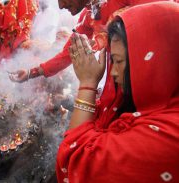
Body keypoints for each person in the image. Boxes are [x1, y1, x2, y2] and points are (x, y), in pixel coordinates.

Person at [56, 2, 179, 182]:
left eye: (119, 62)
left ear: (155, 59)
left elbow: (76, 161)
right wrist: (34, 71)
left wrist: (88, 84)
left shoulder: (165, 138)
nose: (113, 73)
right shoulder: (161, 99)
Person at [9, 0, 171, 83]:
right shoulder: (88, 16)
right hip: (121, 80)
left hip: (154, 76)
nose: (60, 5)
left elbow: (164, 17)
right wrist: (31, 73)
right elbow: (68, 53)